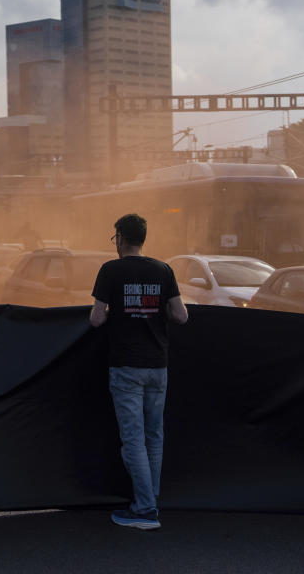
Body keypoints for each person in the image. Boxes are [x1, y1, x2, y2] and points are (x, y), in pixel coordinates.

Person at [90, 213, 188, 530]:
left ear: (120, 237)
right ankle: (150, 501)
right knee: (153, 438)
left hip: (126, 367)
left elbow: (96, 320)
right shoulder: (163, 270)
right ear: (142, 238)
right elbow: (181, 316)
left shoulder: (110, 270)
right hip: (157, 366)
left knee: (133, 440)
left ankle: (145, 510)